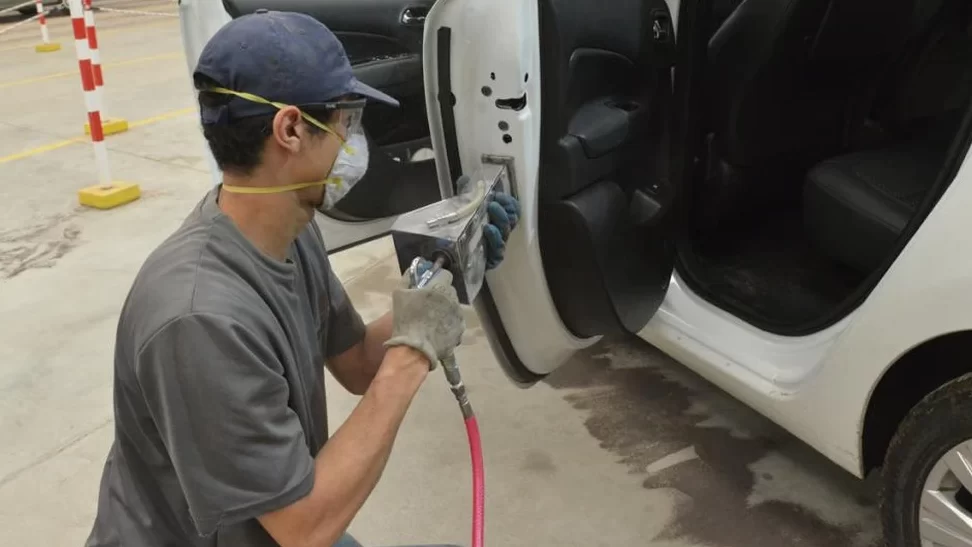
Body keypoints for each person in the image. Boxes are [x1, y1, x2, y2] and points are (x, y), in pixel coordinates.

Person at [84, 10, 520, 547]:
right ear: (290, 128)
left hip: (278, 516)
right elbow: (303, 527)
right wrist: (411, 358)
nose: (353, 145)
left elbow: (358, 363)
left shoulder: (291, 233)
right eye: (345, 123)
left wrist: (445, 277)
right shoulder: (199, 317)